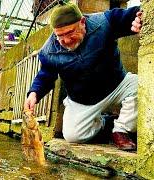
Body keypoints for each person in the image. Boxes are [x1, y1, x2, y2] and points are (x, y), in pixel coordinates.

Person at [24, 2, 142, 151]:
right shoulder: (48, 52)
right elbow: (46, 75)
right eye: (60, 36)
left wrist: (139, 18)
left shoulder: (103, 23)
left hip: (117, 85)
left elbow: (128, 16)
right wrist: (34, 93)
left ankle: (121, 130)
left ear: (82, 22)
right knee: (73, 136)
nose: (66, 41)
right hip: (82, 100)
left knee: (142, 86)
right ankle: (107, 124)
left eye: (70, 32)